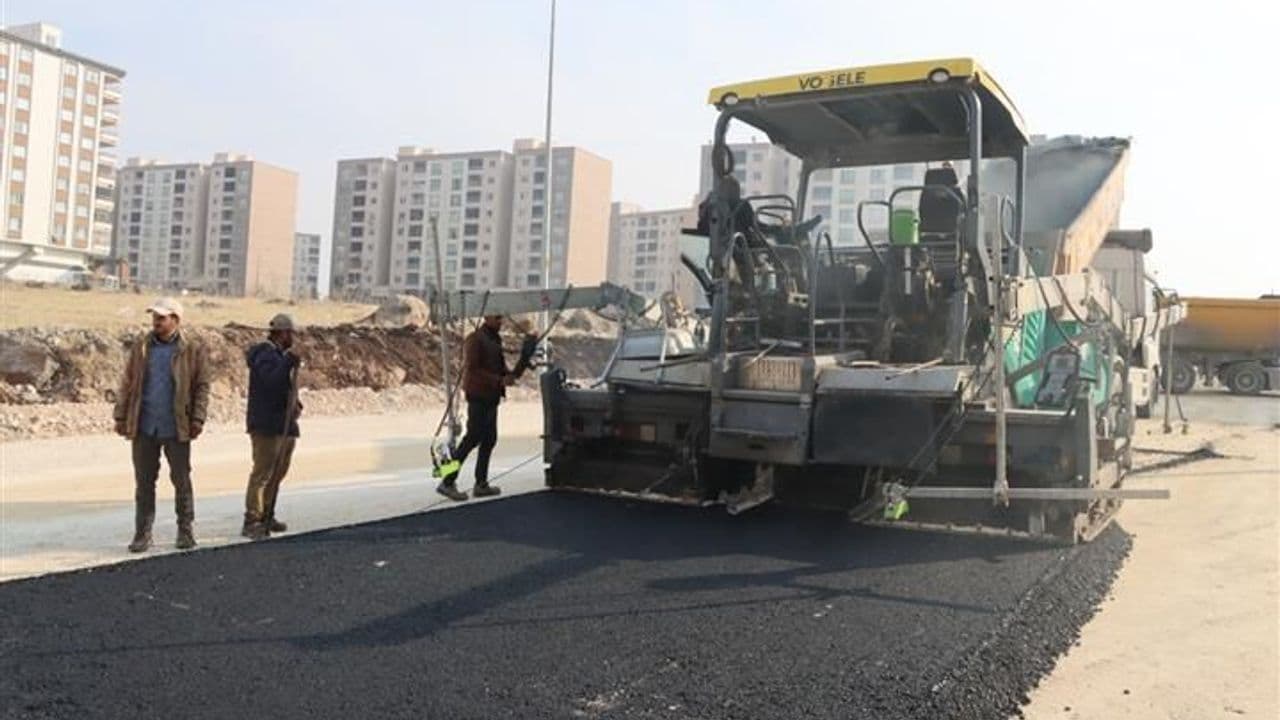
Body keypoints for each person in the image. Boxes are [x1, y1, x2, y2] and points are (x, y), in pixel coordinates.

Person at [113, 297, 210, 553]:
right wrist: (120, 416)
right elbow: (128, 382)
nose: (156, 321)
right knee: (144, 483)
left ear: (176, 320)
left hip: (177, 426)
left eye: (162, 317)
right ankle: (142, 534)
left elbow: (202, 386)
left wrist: (198, 418)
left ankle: (185, 530)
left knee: (181, 479)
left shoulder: (192, 349)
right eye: (154, 317)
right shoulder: (141, 347)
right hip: (144, 425)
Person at [436, 314, 534, 501]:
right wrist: (499, 380)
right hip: (478, 395)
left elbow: (500, 368)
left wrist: (514, 370)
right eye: (497, 318)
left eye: (501, 318)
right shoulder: (475, 339)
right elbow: (473, 369)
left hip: (490, 396)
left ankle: (481, 483)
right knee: (471, 439)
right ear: (486, 318)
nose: (500, 322)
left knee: (489, 439)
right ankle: (446, 480)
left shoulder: (493, 339)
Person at [241, 313, 303, 540]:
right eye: (291, 334)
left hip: (283, 424)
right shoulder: (265, 355)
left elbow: (282, 388)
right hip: (267, 425)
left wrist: (295, 404)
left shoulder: (278, 355)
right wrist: (288, 363)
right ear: (283, 333)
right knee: (263, 474)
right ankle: (252, 520)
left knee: (278, 473)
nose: (293, 338)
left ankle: (267, 514)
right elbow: (270, 382)